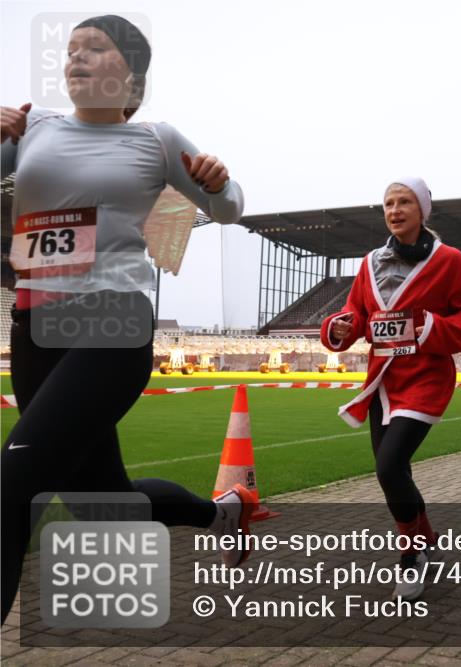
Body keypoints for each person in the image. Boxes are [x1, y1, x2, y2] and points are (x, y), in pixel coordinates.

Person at [0, 15, 254, 624]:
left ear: (131, 72)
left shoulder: (155, 140)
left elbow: (228, 207)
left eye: (95, 47)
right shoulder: (31, 127)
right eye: (71, 49)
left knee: (13, 484)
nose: (76, 57)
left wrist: (219, 181)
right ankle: (224, 512)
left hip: (110, 323)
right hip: (34, 330)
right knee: (105, 507)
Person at [320, 177, 461, 601]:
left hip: (426, 379)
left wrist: (431, 327)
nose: (395, 210)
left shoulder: (449, 261)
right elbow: (356, 313)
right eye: (388, 203)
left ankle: (411, 557)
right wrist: (340, 327)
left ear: (422, 211)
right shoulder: (369, 263)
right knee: (396, 473)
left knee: (389, 467)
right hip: (383, 382)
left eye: (404, 202)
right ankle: (428, 540)